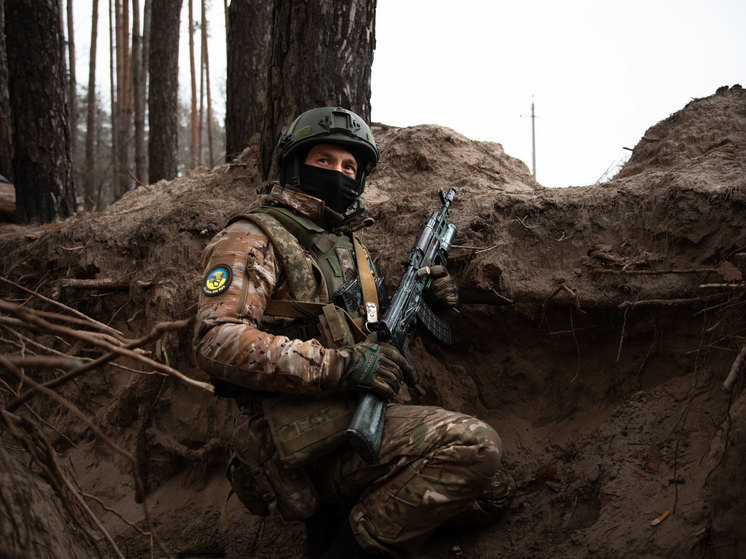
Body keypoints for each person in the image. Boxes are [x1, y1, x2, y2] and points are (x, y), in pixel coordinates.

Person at [193, 106, 512, 558]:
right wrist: (341, 366)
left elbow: (371, 336)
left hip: (358, 418)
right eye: (324, 161)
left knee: (494, 490)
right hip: (304, 441)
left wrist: (425, 300)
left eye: (349, 166)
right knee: (476, 446)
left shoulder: (350, 247)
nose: (339, 174)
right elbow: (216, 340)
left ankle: (353, 523)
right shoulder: (252, 237)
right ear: (294, 165)